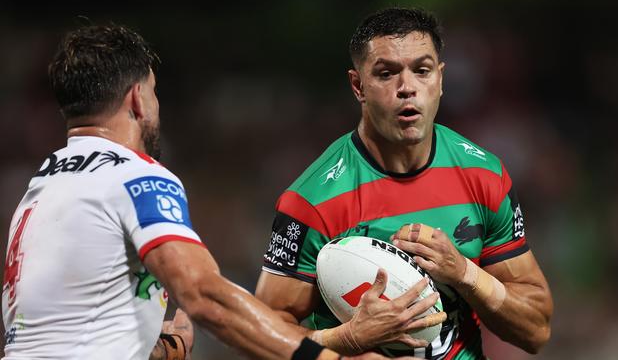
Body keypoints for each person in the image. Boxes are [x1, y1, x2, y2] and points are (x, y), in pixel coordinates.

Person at [0, 23, 395, 360]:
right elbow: (207, 297)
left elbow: (63, 336)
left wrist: (164, 348)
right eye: (154, 92)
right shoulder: (135, 176)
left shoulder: (40, 188)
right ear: (138, 98)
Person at [255, 7, 553, 359]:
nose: (407, 88)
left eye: (422, 71)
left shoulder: (483, 175)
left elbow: (536, 330)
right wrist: (348, 337)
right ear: (358, 86)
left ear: (440, 80)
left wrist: (464, 273)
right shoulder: (312, 201)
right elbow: (260, 339)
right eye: (386, 74)